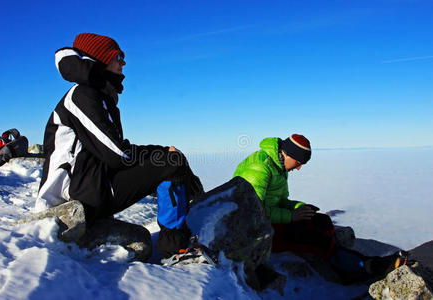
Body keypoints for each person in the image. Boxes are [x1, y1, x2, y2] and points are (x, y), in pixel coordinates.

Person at [36, 33, 202, 229]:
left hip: (91, 186)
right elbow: (117, 154)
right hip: (75, 197)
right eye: (118, 57)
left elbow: (112, 155)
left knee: (172, 159)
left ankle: (199, 211)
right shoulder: (82, 96)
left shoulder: (99, 97)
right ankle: (177, 246)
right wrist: (162, 152)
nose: (123, 63)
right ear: (100, 59)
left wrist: (163, 152)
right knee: (171, 161)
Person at [234, 135, 406, 284]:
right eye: (298, 162)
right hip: (255, 232)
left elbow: (279, 201)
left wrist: (300, 207)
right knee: (314, 239)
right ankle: (360, 269)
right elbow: (252, 211)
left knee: (322, 221)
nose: (299, 168)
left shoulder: (278, 165)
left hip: (270, 220)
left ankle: (342, 257)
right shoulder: (259, 169)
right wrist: (291, 216)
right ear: (287, 154)